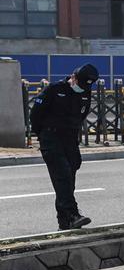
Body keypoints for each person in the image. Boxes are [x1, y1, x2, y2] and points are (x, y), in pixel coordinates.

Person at [29, 63, 99, 230]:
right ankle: (73, 214)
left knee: (70, 177)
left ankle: (64, 221)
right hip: (51, 137)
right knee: (63, 175)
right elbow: (35, 114)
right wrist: (43, 135)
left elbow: (82, 115)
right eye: (81, 84)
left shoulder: (84, 93)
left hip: (70, 139)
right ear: (73, 77)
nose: (83, 89)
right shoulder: (54, 89)